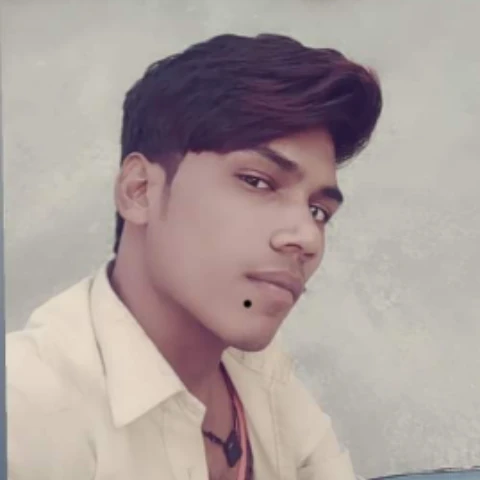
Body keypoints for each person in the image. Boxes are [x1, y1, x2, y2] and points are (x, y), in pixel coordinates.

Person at [6, 33, 382, 480]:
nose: (307, 237)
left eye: (319, 211)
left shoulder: (267, 384)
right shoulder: (26, 410)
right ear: (139, 191)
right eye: (257, 182)